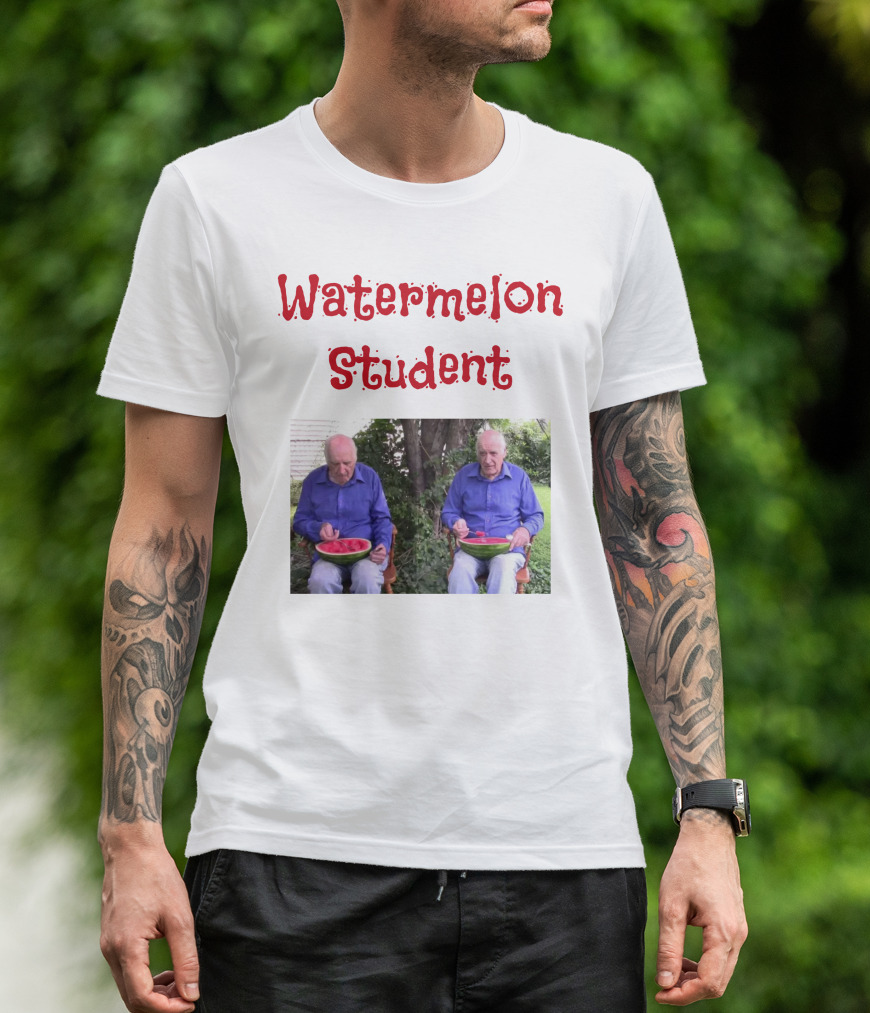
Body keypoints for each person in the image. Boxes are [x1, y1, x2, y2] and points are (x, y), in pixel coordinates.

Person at [97, 2, 748, 1011]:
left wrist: (707, 808)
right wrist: (131, 832)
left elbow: (654, 521)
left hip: (559, 850)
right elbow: (162, 526)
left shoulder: (606, 198)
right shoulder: (213, 200)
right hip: (290, 848)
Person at [442, 429, 543, 593]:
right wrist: (455, 521)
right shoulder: (463, 476)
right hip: (470, 550)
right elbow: (448, 512)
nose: (487, 460)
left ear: (505, 452)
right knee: (459, 572)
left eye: (493, 453)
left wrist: (526, 529)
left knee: (503, 570)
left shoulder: (519, 477)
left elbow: (536, 515)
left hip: (507, 551)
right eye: (482, 453)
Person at [292, 434, 392, 593]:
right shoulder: (312, 481)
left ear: (355, 458)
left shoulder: (370, 477)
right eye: (334, 464)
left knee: (367, 580)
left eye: (347, 463)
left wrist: (383, 545)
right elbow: (299, 521)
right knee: (320, 582)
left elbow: (382, 518)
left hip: (366, 555)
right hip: (328, 558)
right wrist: (318, 528)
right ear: (326, 460)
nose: (341, 470)